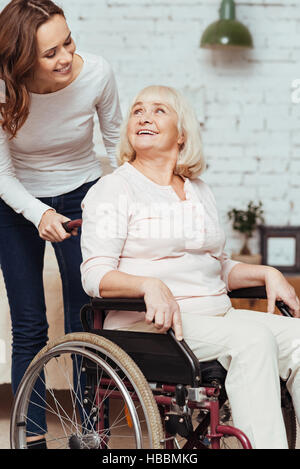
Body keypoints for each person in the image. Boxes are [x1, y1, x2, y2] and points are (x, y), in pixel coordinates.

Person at [80, 84, 300, 449]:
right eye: (137, 110)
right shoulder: (114, 189)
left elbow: (216, 266)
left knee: (298, 338)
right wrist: (148, 285)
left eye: (159, 110)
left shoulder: (198, 189)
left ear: (182, 134)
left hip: (215, 316)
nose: (145, 116)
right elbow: (94, 275)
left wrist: (266, 273)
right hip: (149, 326)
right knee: (253, 341)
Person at [0, 0, 122, 448]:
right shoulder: (1, 88)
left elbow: (115, 142)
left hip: (83, 193)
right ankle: (31, 438)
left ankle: (91, 435)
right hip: (15, 204)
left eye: (67, 41)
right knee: (30, 324)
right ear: (21, 58)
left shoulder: (97, 73)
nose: (66, 57)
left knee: (85, 317)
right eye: (49, 53)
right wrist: (39, 213)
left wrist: (115, 204)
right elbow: (2, 174)